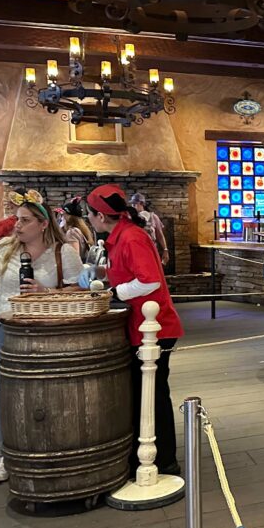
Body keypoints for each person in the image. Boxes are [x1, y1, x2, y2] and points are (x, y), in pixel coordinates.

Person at [0, 189, 83, 483]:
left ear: (43, 224)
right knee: (6, 396)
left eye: (25, 220)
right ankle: (7, 454)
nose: (18, 225)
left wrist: (47, 293)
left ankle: (51, 449)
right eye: (17, 219)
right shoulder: (3, 248)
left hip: (47, 333)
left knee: (49, 396)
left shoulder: (62, 251)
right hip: (7, 332)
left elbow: (79, 289)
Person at [84, 184, 183, 475]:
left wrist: (114, 291)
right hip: (144, 326)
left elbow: (149, 280)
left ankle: (163, 460)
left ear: (100, 216)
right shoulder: (122, 235)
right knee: (147, 393)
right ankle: (150, 455)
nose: (89, 219)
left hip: (155, 328)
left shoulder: (131, 237)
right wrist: (103, 275)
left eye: (90, 214)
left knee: (153, 395)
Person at [130, 193, 170, 267]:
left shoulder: (153, 217)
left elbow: (160, 235)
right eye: (132, 204)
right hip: (135, 251)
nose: (132, 206)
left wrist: (165, 249)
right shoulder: (130, 219)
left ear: (141, 203)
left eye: (134, 204)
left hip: (151, 250)